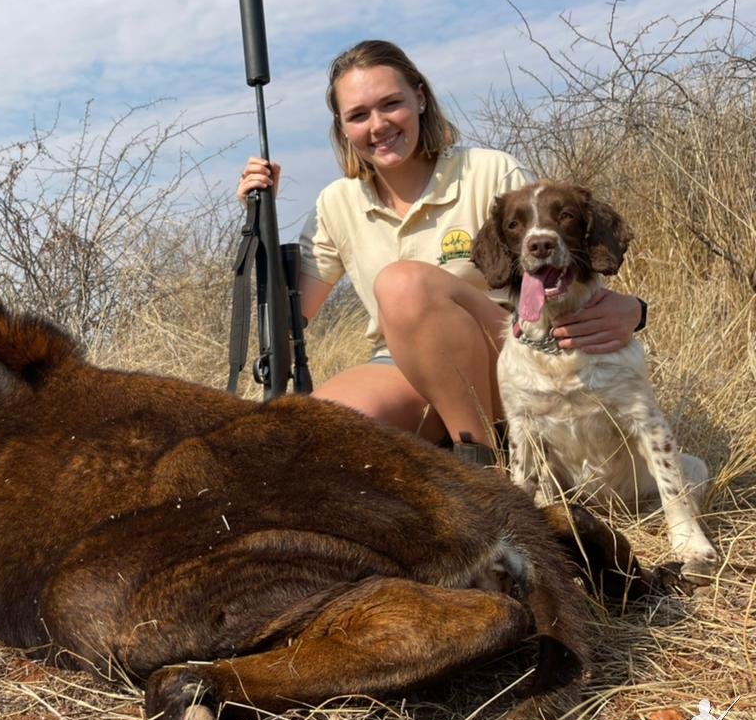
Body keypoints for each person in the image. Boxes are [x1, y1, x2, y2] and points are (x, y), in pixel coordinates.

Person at [238, 40, 642, 462]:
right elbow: (291, 319)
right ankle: (450, 450)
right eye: (358, 115)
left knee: (403, 284)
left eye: (391, 104)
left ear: (420, 99)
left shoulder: (489, 171)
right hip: (404, 368)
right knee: (304, 437)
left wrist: (635, 311)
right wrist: (260, 222)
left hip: (513, 354)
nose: (377, 126)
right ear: (342, 128)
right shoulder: (335, 203)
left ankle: (481, 465)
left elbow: (555, 265)